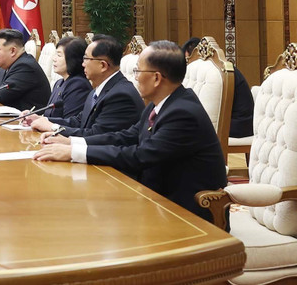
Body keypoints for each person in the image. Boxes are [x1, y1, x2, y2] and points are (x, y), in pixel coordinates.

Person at [33, 40, 227, 223]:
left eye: (137, 71)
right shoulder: (160, 104)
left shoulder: (183, 113)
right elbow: (126, 136)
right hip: (154, 195)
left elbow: (140, 156)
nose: (134, 77)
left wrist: (73, 153)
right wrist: (72, 143)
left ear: (156, 78)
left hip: (184, 213)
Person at [26, 35, 143, 137]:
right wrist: (43, 120)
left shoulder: (120, 95)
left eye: (86, 59)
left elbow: (96, 135)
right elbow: (79, 121)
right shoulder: (98, 90)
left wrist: (53, 127)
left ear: (103, 65)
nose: (82, 64)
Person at [182, 37, 254, 139]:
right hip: (230, 121)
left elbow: (211, 115)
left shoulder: (219, 73)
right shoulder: (208, 72)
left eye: (188, 59)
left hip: (240, 125)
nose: (188, 64)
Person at [41, 36, 90, 120]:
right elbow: (48, 115)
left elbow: (69, 122)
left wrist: (43, 121)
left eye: (59, 55)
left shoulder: (78, 85)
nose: (54, 59)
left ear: (73, 59)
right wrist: (35, 118)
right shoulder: (59, 83)